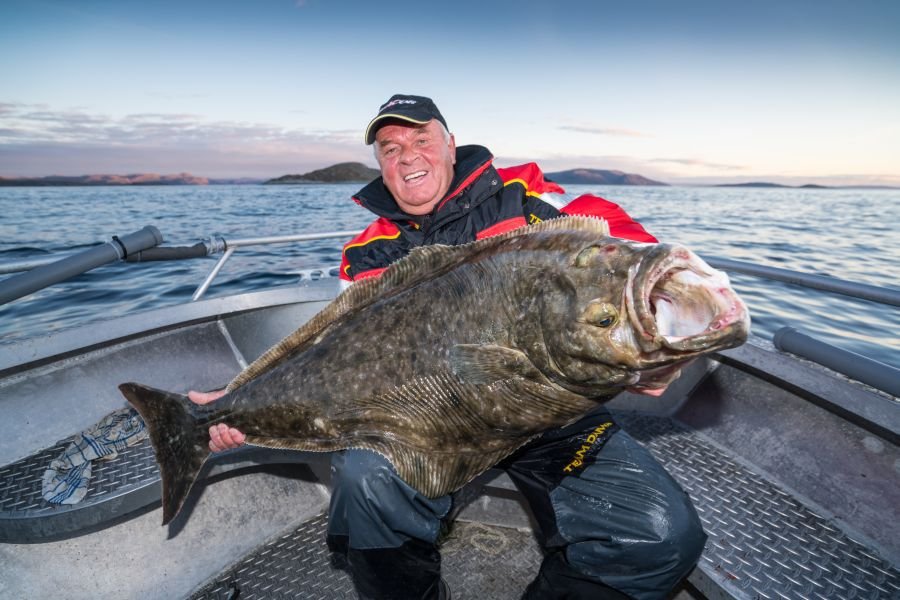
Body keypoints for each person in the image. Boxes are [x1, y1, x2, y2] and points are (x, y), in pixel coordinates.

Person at [190, 94, 706, 600]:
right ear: (381, 166)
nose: (406, 155)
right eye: (389, 149)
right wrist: (239, 401)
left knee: (660, 536)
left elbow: (636, 264)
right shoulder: (367, 252)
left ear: (451, 144)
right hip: (429, 421)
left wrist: (663, 337)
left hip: (555, 417)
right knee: (365, 480)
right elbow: (337, 360)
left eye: (420, 138)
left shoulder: (534, 202)